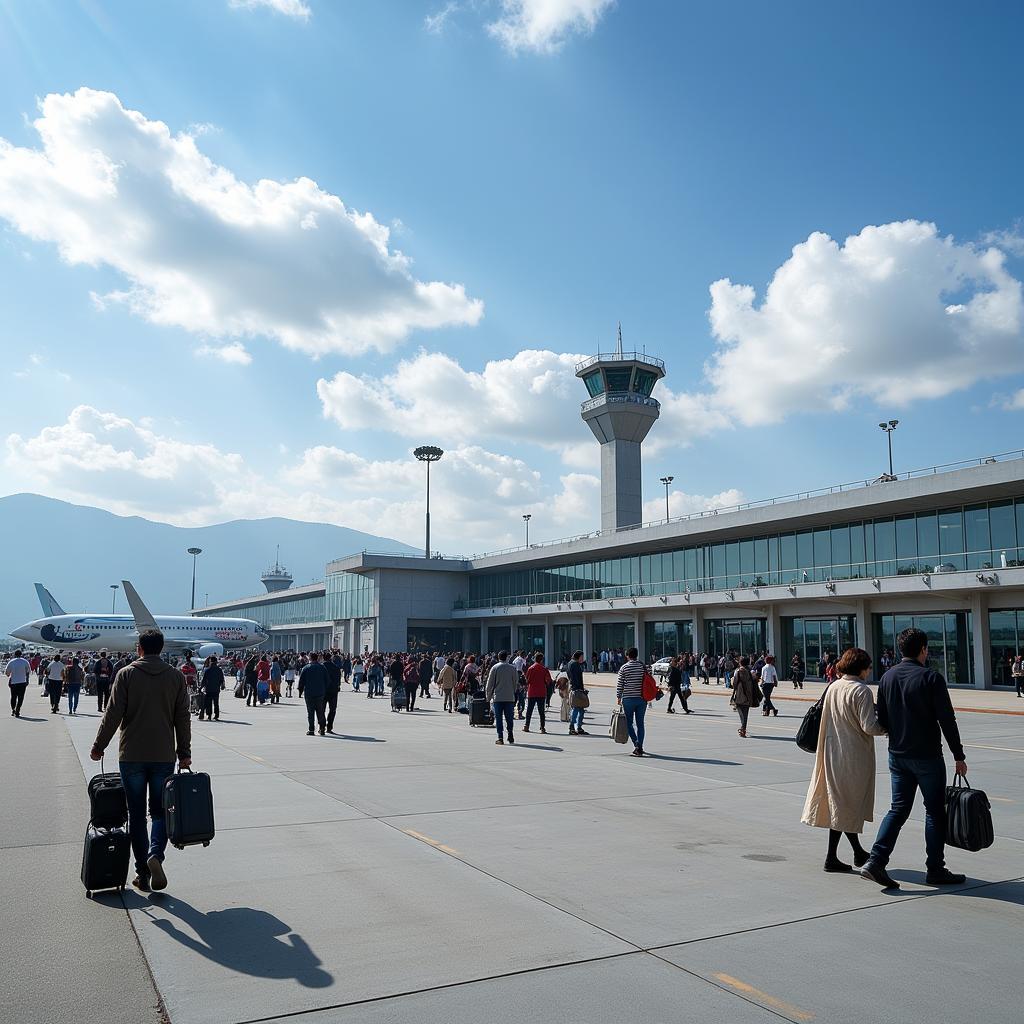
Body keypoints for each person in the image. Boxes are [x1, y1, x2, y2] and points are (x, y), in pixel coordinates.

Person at [861, 627, 968, 890]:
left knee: (898, 809)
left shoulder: (887, 677)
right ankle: (935, 869)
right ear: (923, 649)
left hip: (897, 756)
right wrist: (958, 754)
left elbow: (882, 719)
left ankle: (876, 860)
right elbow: (947, 720)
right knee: (934, 812)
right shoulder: (931, 678)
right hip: (927, 756)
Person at [89, 629, 190, 893]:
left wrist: (99, 745)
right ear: (162, 648)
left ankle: (142, 873)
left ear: (139, 649)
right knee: (160, 812)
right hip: (163, 755)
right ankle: (155, 854)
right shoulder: (176, 676)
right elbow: (183, 717)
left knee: (135, 815)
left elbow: (113, 714)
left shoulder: (126, 674)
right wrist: (184, 752)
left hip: (132, 754)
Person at [801, 648, 886, 872]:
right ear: (861, 667)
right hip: (853, 756)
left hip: (831, 752)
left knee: (840, 804)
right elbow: (869, 727)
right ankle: (847, 855)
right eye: (868, 666)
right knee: (848, 804)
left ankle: (847, 855)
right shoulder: (861, 691)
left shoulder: (834, 686)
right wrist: (888, 728)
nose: (869, 670)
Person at [615, 647, 647, 756]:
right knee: (640, 724)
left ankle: (636, 745)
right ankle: (640, 746)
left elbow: (620, 684)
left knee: (629, 723)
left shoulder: (624, 668)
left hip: (628, 699)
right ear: (637, 655)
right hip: (642, 699)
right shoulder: (643, 667)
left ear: (627, 656)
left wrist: (618, 697)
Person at [485, 650, 518, 745]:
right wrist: (513, 692)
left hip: (498, 697)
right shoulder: (513, 668)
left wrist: (488, 697)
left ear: (498, 658)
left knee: (498, 718)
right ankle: (510, 734)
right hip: (509, 697)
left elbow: (489, 684)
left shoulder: (495, 668)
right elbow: (515, 683)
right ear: (507, 657)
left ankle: (500, 737)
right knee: (509, 718)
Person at [297, 651, 328, 736]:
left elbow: (301, 682)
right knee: (320, 711)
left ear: (310, 658)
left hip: (309, 693)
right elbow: (327, 680)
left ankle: (311, 729)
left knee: (310, 712)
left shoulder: (306, 668)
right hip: (320, 693)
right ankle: (322, 729)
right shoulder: (322, 668)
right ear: (317, 658)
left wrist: (300, 691)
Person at [523, 653, 551, 734]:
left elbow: (527, 680)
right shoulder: (544, 669)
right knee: (541, 711)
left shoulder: (531, 668)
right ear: (542, 660)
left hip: (532, 691)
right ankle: (542, 728)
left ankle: (526, 726)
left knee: (529, 710)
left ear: (534, 659)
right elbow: (548, 681)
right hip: (541, 692)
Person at [730, 655, 756, 738]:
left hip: (740, 694)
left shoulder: (738, 671)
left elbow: (734, 684)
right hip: (749, 694)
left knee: (741, 712)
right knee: (746, 713)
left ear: (740, 663)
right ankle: (743, 728)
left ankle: (743, 728)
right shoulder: (750, 671)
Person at [566, 650, 588, 736]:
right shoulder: (575, 664)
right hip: (577, 689)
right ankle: (573, 727)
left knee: (580, 709)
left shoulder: (570, 663)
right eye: (582, 657)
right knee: (576, 708)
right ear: (578, 657)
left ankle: (578, 727)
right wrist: (580, 689)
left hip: (574, 688)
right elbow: (576, 678)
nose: (583, 659)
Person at [5, 648, 30, 717]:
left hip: (14, 682)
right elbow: (28, 672)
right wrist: (27, 680)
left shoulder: (11, 662)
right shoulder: (25, 662)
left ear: (14, 655)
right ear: (21, 655)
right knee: (21, 697)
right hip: (22, 682)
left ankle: (13, 709)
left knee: (13, 697)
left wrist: (11, 674)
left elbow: (7, 673)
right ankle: (18, 709)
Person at [198, 655, 224, 721]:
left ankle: (209, 716)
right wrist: (222, 685)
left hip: (209, 689)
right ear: (216, 662)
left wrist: (200, 687)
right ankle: (216, 715)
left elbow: (204, 680)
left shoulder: (207, 670)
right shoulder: (219, 670)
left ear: (210, 661)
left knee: (208, 703)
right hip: (216, 689)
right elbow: (222, 679)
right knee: (216, 703)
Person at [323, 652, 342, 733]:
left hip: (323, 691)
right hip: (333, 691)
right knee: (332, 709)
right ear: (331, 658)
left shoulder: (321, 667)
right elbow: (338, 681)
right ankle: (329, 726)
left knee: (321, 710)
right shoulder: (336, 668)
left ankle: (322, 726)